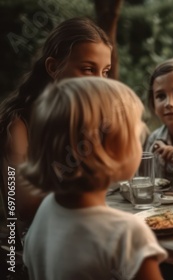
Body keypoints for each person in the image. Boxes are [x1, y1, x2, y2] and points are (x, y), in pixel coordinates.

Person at [21, 77, 167, 280]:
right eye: (136, 133)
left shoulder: (46, 210)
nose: (142, 137)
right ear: (108, 150)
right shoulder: (126, 233)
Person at [0, 17, 112, 221]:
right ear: (53, 67)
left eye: (105, 72)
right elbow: (21, 207)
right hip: (31, 240)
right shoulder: (18, 124)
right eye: (88, 69)